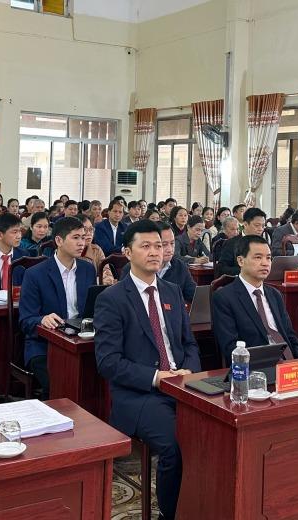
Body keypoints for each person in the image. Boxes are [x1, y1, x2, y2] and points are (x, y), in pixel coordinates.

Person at [93, 219, 200, 520]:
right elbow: (108, 362)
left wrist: (189, 372)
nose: (155, 252)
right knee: (175, 447)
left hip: (182, 386)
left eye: (160, 246)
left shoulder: (172, 291)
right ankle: (170, 513)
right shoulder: (111, 299)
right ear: (128, 252)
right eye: (146, 246)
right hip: (139, 395)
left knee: (218, 433)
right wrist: (157, 378)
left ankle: (201, 505)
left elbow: (189, 344)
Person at [18, 217, 95, 395]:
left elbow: (92, 309)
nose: (81, 243)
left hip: (81, 339)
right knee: (60, 381)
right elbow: (26, 320)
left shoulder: (88, 269)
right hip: (45, 344)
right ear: (59, 240)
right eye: (75, 238)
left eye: (83, 237)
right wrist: (42, 319)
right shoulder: (35, 274)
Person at [212, 235, 298, 362]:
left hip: (290, 364)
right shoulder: (224, 298)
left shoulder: (275, 294)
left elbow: (290, 336)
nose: (265, 263)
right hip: (258, 366)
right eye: (258, 257)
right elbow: (230, 347)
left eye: (268, 258)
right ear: (241, 261)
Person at [217, 208, 266, 277]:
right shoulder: (231, 243)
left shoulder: (264, 244)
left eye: (263, 226)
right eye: (257, 225)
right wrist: (245, 271)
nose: (261, 229)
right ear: (245, 224)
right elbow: (222, 268)